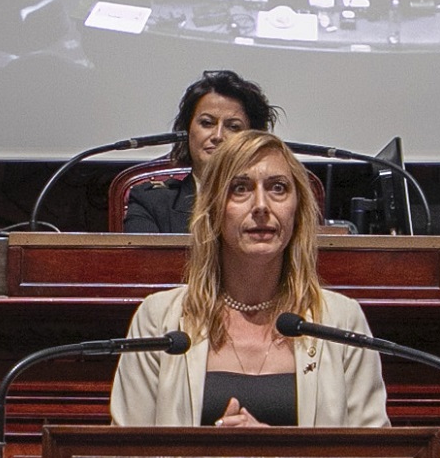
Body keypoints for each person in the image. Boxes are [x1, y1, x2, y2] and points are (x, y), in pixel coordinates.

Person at [110, 131, 387, 430]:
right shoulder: (159, 319)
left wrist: (274, 453)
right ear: (214, 210)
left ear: (298, 212)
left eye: (277, 188)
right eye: (240, 188)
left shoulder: (341, 322)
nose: (261, 206)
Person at [123, 70, 273, 235]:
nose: (217, 136)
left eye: (233, 127)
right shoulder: (151, 202)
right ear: (187, 130)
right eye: (207, 123)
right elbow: (144, 261)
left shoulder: (272, 205)